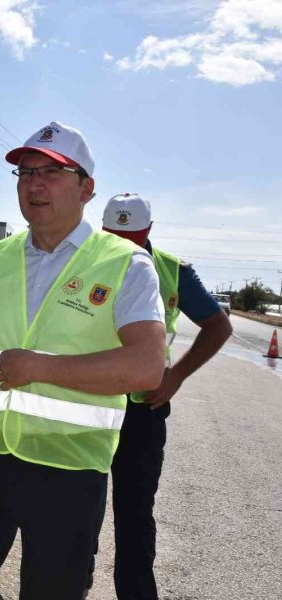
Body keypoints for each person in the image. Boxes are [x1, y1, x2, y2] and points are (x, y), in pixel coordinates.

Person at [0, 122, 167, 600]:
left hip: (70, 468)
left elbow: (146, 367)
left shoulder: (125, 264)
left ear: (87, 188)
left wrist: (41, 367)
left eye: (53, 173)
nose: (34, 184)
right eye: (24, 172)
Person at [86, 193, 232, 600]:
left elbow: (218, 326)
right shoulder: (85, 259)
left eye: (132, 235)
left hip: (142, 410)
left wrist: (177, 375)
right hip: (89, 405)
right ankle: (74, 582)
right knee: (80, 504)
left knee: (134, 513)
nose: (124, 244)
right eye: (115, 234)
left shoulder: (172, 270)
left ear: (148, 230)